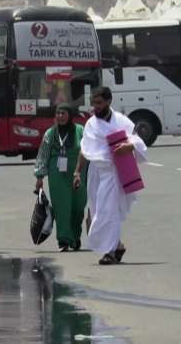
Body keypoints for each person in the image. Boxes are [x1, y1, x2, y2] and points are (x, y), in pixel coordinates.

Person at [73, 87, 148, 265]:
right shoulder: (91, 124)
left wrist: (129, 146)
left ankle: (110, 252)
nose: (96, 107)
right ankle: (118, 245)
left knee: (109, 211)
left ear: (109, 102)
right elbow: (85, 149)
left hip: (113, 173)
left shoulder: (121, 121)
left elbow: (137, 139)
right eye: (94, 103)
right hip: (95, 172)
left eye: (99, 103)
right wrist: (77, 172)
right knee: (97, 211)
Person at [34, 103, 88, 252]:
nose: (60, 116)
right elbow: (43, 155)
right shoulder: (50, 133)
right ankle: (63, 240)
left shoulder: (80, 131)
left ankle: (75, 237)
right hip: (57, 174)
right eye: (58, 114)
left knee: (78, 206)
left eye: (63, 113)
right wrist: (39, 177)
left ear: (70, 115)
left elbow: (88, 150)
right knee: (61, 207)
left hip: (78, 171)